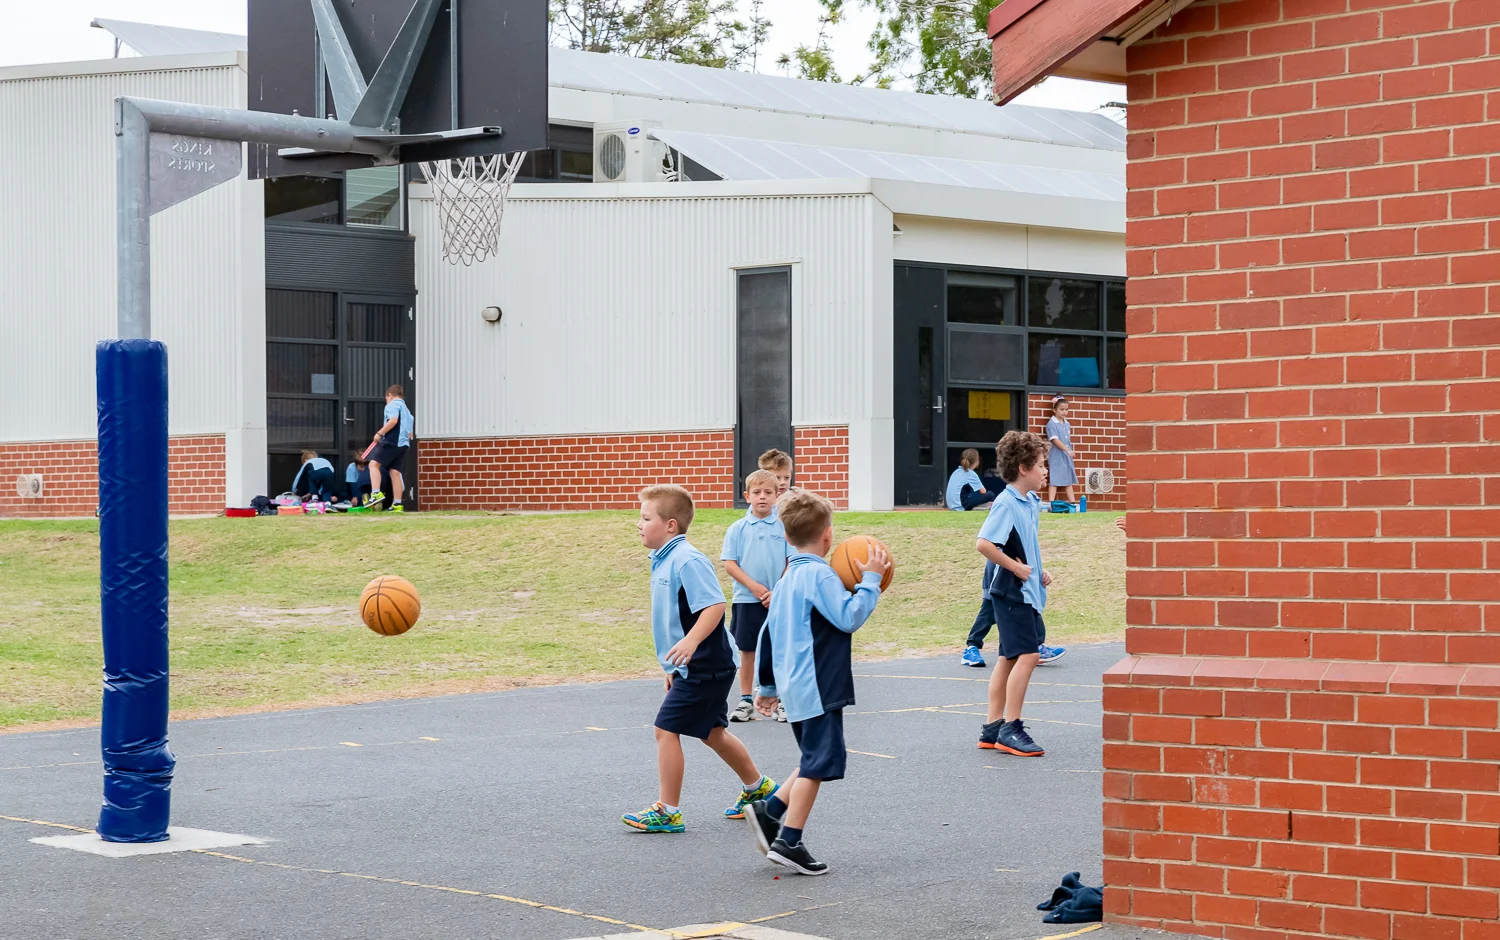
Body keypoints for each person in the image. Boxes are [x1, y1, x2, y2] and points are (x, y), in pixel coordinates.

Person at [744, 489, 890, 876]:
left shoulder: (788, 578)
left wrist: (767, 686)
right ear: (828, 536)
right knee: (818, 764)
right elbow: (849, 617)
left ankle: (770, 810)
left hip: (795, 685)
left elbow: (768, 635)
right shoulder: (820, 575)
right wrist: (870, 581)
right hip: (818, 685)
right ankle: (789, 840)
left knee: (813, 757)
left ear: (787, 536)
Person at [622, 484, 778, 834]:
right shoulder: (664, 558)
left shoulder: (687, 560)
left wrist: (690, 646)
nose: (639, 524)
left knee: (665, 729)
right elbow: (674, 618)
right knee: (713, 732)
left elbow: (714, 606)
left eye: (646, 518)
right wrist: (672, 666)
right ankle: (760, 789)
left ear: (671, 525)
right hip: (695, 665)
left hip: (706, 663)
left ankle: (668, 811)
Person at [975, 430, 1053, 757]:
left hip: (1021, 589)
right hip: (1012, 592)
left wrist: (1038, 568)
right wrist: (1018, 569)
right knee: (1030, 654)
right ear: (1023, 468)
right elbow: (984, 544)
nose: (1045, 470)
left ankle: (993, 727)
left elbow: (1023, 545)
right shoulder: (1007, 502)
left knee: (1008, 658)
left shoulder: (1029, 501)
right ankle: (1011, 726)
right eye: (1040, 464)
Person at [721, 469, 792, 729]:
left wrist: (777, 592)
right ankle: (746, 699)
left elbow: (790, 562)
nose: (762, 497)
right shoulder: (737, 529)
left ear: (777, 495)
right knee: (747, 650)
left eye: (768, 493)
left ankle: (782, 699)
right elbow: (730, 564)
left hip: (778, 600)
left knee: (780, 649)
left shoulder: (785, 527)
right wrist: (753, 587)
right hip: (747, 599)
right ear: (747, 496)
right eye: (757, 493)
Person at [962, 558, 1067, 667]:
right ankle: (971, 647)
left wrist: (1039, 570)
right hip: (999, 575)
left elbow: (1026, 553)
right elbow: (994, 549)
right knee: (989, 611)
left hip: (1018, 576)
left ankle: (1037, 647)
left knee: (1029, 606)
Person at [367, 385, 415, 513]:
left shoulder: (392, 405)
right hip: (404, 444)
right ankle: (397, 504)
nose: (386, 401)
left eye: (386, 398)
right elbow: (410, 432)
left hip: (392, 441)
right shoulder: (406, 409)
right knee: (395, 472)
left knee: (373, 464)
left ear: (390, 395)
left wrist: (379, 433)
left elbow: (393, 420)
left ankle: (376, 493)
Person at [1046, 396, 1078, 506]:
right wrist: (1067, 450)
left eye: (1066, 409)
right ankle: (1051, 503)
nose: (1065, 412)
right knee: (1054, 479)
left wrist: (1069, 451)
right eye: (1062, 409)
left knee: (1068, 479)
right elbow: (1055, 440)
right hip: (1056, 455)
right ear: (1054, 410)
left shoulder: (1067, 424)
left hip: (1066, 455)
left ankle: (1072, 502)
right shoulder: (1051, 424)